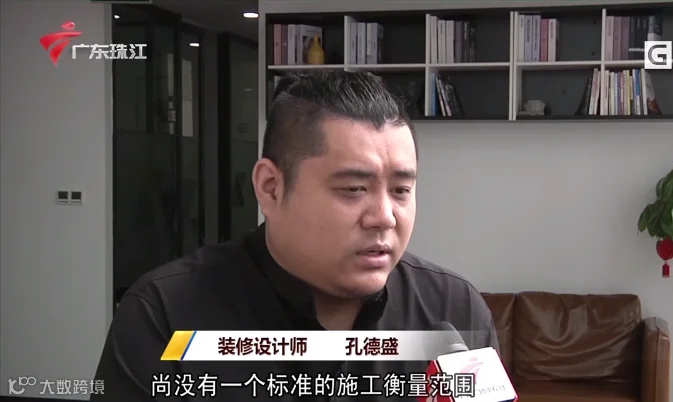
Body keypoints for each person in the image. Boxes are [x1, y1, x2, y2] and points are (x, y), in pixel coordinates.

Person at [90, 70, 498, 401]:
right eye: (354, 189)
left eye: (401, 190)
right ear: (271, 187)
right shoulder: (165, 315)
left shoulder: (454, 308)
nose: (384, 217)